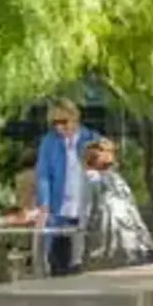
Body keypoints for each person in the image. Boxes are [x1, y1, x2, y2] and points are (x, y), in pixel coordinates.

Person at [35, 99, 98, 278]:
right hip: (60, 209)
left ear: (75, 118)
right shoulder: (49, 142)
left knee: (82, 260)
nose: (59, 127)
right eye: (55, 123)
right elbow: (43, 175)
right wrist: (44, 205)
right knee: (57, 259)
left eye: (64, 121)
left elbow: (103, 172)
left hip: (84, 207)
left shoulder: (91, 139)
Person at [81, 139, 153, 269]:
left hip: (108, 240)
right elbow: (133, 210)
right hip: (124, 241)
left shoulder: (96, 178)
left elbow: (85, 207)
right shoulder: (115, 180)